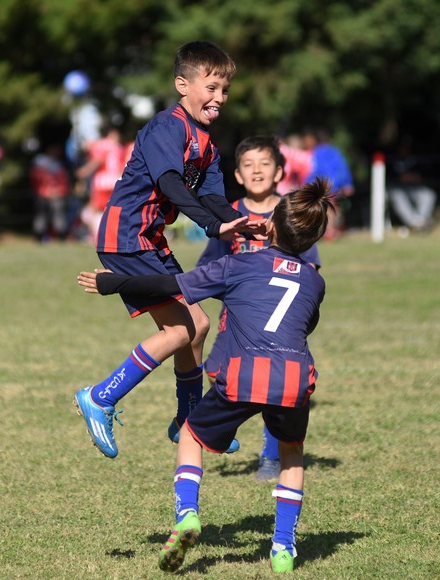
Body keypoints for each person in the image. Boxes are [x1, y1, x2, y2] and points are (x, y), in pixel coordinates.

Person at [77, 178, 333, 574]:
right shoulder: (315, 282)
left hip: (243, 375)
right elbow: (304, 325)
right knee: (292, 452)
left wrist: (115, 284)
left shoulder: (240, 264)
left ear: (270, 226)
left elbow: (169, 285)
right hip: (294, 380)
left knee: (191, 434)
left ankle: (188, 516)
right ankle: (283, 548)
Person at [72, 41, 265, 459]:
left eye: (225, 90)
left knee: (196, 326)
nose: (219, 98)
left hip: (148, 239)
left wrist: (236, 222)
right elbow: (170, 184)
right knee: (179, 330)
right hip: (126, 236)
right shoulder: (168, 127)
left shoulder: (208, 144)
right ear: (183, 84)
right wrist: (214, 225)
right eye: (211, 87)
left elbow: (215, 197)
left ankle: (188, 421)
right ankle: (100, 397)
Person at [196, 135, 321, 482]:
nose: (256, 171)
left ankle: (270, 455)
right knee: (216, 370)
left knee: (272, 389)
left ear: (279, 171)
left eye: (264, 164)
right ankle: (227, 425)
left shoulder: (291, 213)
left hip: (278, 325)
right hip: (234, 322)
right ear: (237, 175)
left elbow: (309, 269)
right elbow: (212, 265)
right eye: (248, 165)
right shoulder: (231, 214)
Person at [76, 125, 125, 244]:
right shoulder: (119, 147)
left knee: (93, 208)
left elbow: (98, 160)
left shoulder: (102, 144)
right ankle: (114, 235)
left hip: (102, 181)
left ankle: (95, 236)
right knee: (114, 209)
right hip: (115, 181)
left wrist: (85, 171)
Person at [303, 128, 354, 238]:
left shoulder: (315, 153)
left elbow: (312, 170)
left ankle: (328, 232)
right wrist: (348, 183)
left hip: (320, 184)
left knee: (325, 209)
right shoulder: (335, 152)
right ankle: (334, 230)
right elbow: (343, 168)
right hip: (334, 185)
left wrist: (305, 183)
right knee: (333, 208)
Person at [386, 136, 437, 234]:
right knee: (398, 195)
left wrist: (413, 177)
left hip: (413, 188)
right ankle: (413, 223)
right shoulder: (391, 160)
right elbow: (392, 176)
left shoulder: (415, 160)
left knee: (429, 194)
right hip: (395, 189)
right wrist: (401, 178)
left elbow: (422, 175)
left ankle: (421, 221)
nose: (404, 149)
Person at [30, 141, 71, 242]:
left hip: (55, 193)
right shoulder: (40, 163)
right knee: (42, 217)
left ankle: (61, 237)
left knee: (58, 217)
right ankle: (40, 237)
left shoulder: (57, 163)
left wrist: (60, 190)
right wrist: (45, 190)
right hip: (43, 193)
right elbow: (36, 179)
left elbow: (63, 180)